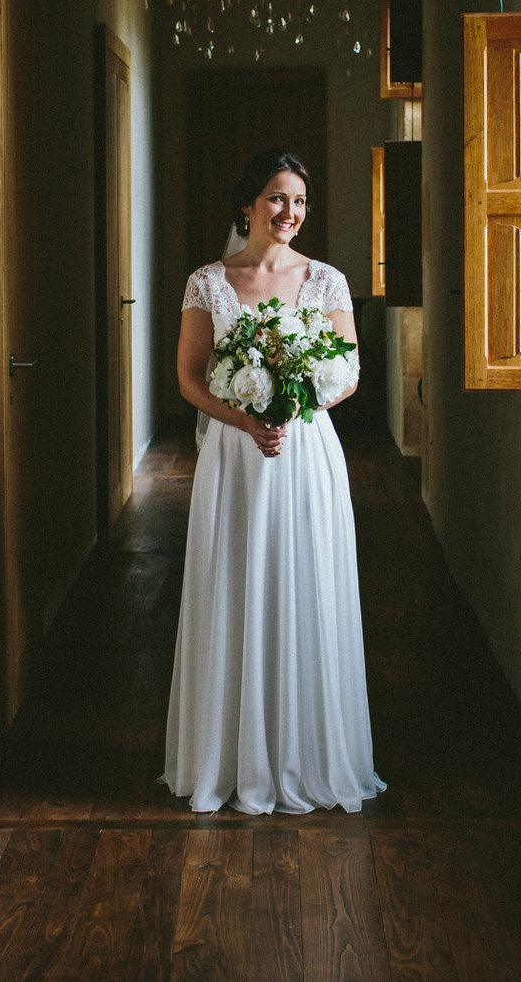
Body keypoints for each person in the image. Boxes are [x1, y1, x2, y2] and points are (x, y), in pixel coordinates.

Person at [163, 149, 386, 814]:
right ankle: (228, 757)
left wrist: (293, 407)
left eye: (299, 202)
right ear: (248, 205)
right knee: (233, 582)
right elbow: (190, 377)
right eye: (276, 198)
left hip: (305, 450)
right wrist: (246, 417)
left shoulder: (327, 281)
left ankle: (307, 753)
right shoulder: (209, 282)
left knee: (304, 580)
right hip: (234, 459)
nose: (290, 213)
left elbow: (344, 374)